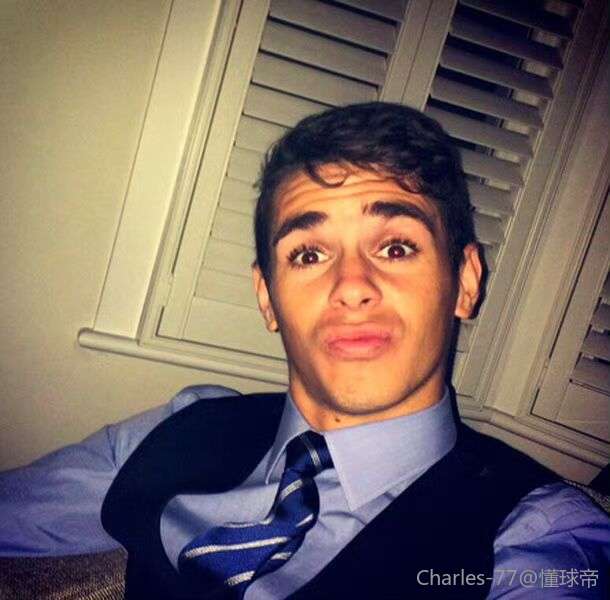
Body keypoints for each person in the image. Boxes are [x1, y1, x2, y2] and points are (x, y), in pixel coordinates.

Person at [1, 102, 608, 599]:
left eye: (396, 247)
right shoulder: (181, 424)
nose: (351, 286)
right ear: (267, 297)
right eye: (309, 254)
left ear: (466, 281)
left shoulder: (540, 534)